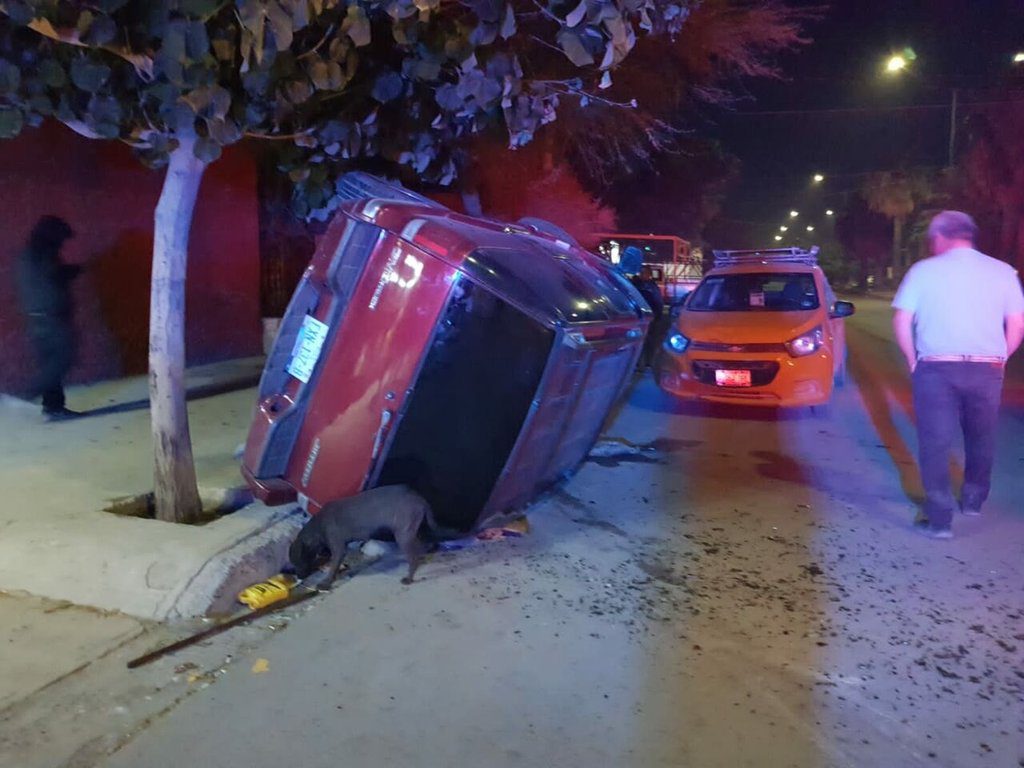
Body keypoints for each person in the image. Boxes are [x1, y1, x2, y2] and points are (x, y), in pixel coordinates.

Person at [892, 210, 1024, 539]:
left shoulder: (923, 271)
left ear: (939, 237)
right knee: (982, 437)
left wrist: (913, 360)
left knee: (935, 442)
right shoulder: (1003, 271)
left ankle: (939, 521)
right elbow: (1017, 325)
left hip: (936, 367)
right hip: (986, 367)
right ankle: (973, 501)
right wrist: (1000, 358)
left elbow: (901, 321)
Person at [14, 216, 83, 421]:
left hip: (35, 319)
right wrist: (72, 271)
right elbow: (52, 276)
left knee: (50, 362)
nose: (63, 244)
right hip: (52, 318)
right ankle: (28, 393)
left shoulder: (26, 255)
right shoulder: (43, 254)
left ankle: (53, 408)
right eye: (62, 239)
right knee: (64, 358)